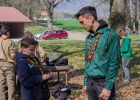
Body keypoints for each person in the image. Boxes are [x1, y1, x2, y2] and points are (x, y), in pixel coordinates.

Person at [74, 6, 120, 100]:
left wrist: (108, 87)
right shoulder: (88, 38)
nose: (82, 26)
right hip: (90, 82)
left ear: (91, 18)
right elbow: (87, 62)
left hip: (104, 83)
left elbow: (114, 63)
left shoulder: (110, 35)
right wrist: (85, 83)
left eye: (82, 22)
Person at [0, 26, 17, 100]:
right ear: (8, 32)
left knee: (1, 83)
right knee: (11, 83)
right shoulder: (10, 42)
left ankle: (2, 98)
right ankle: (11, 98)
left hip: (0, 64)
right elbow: (13, 55)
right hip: (9, 64)